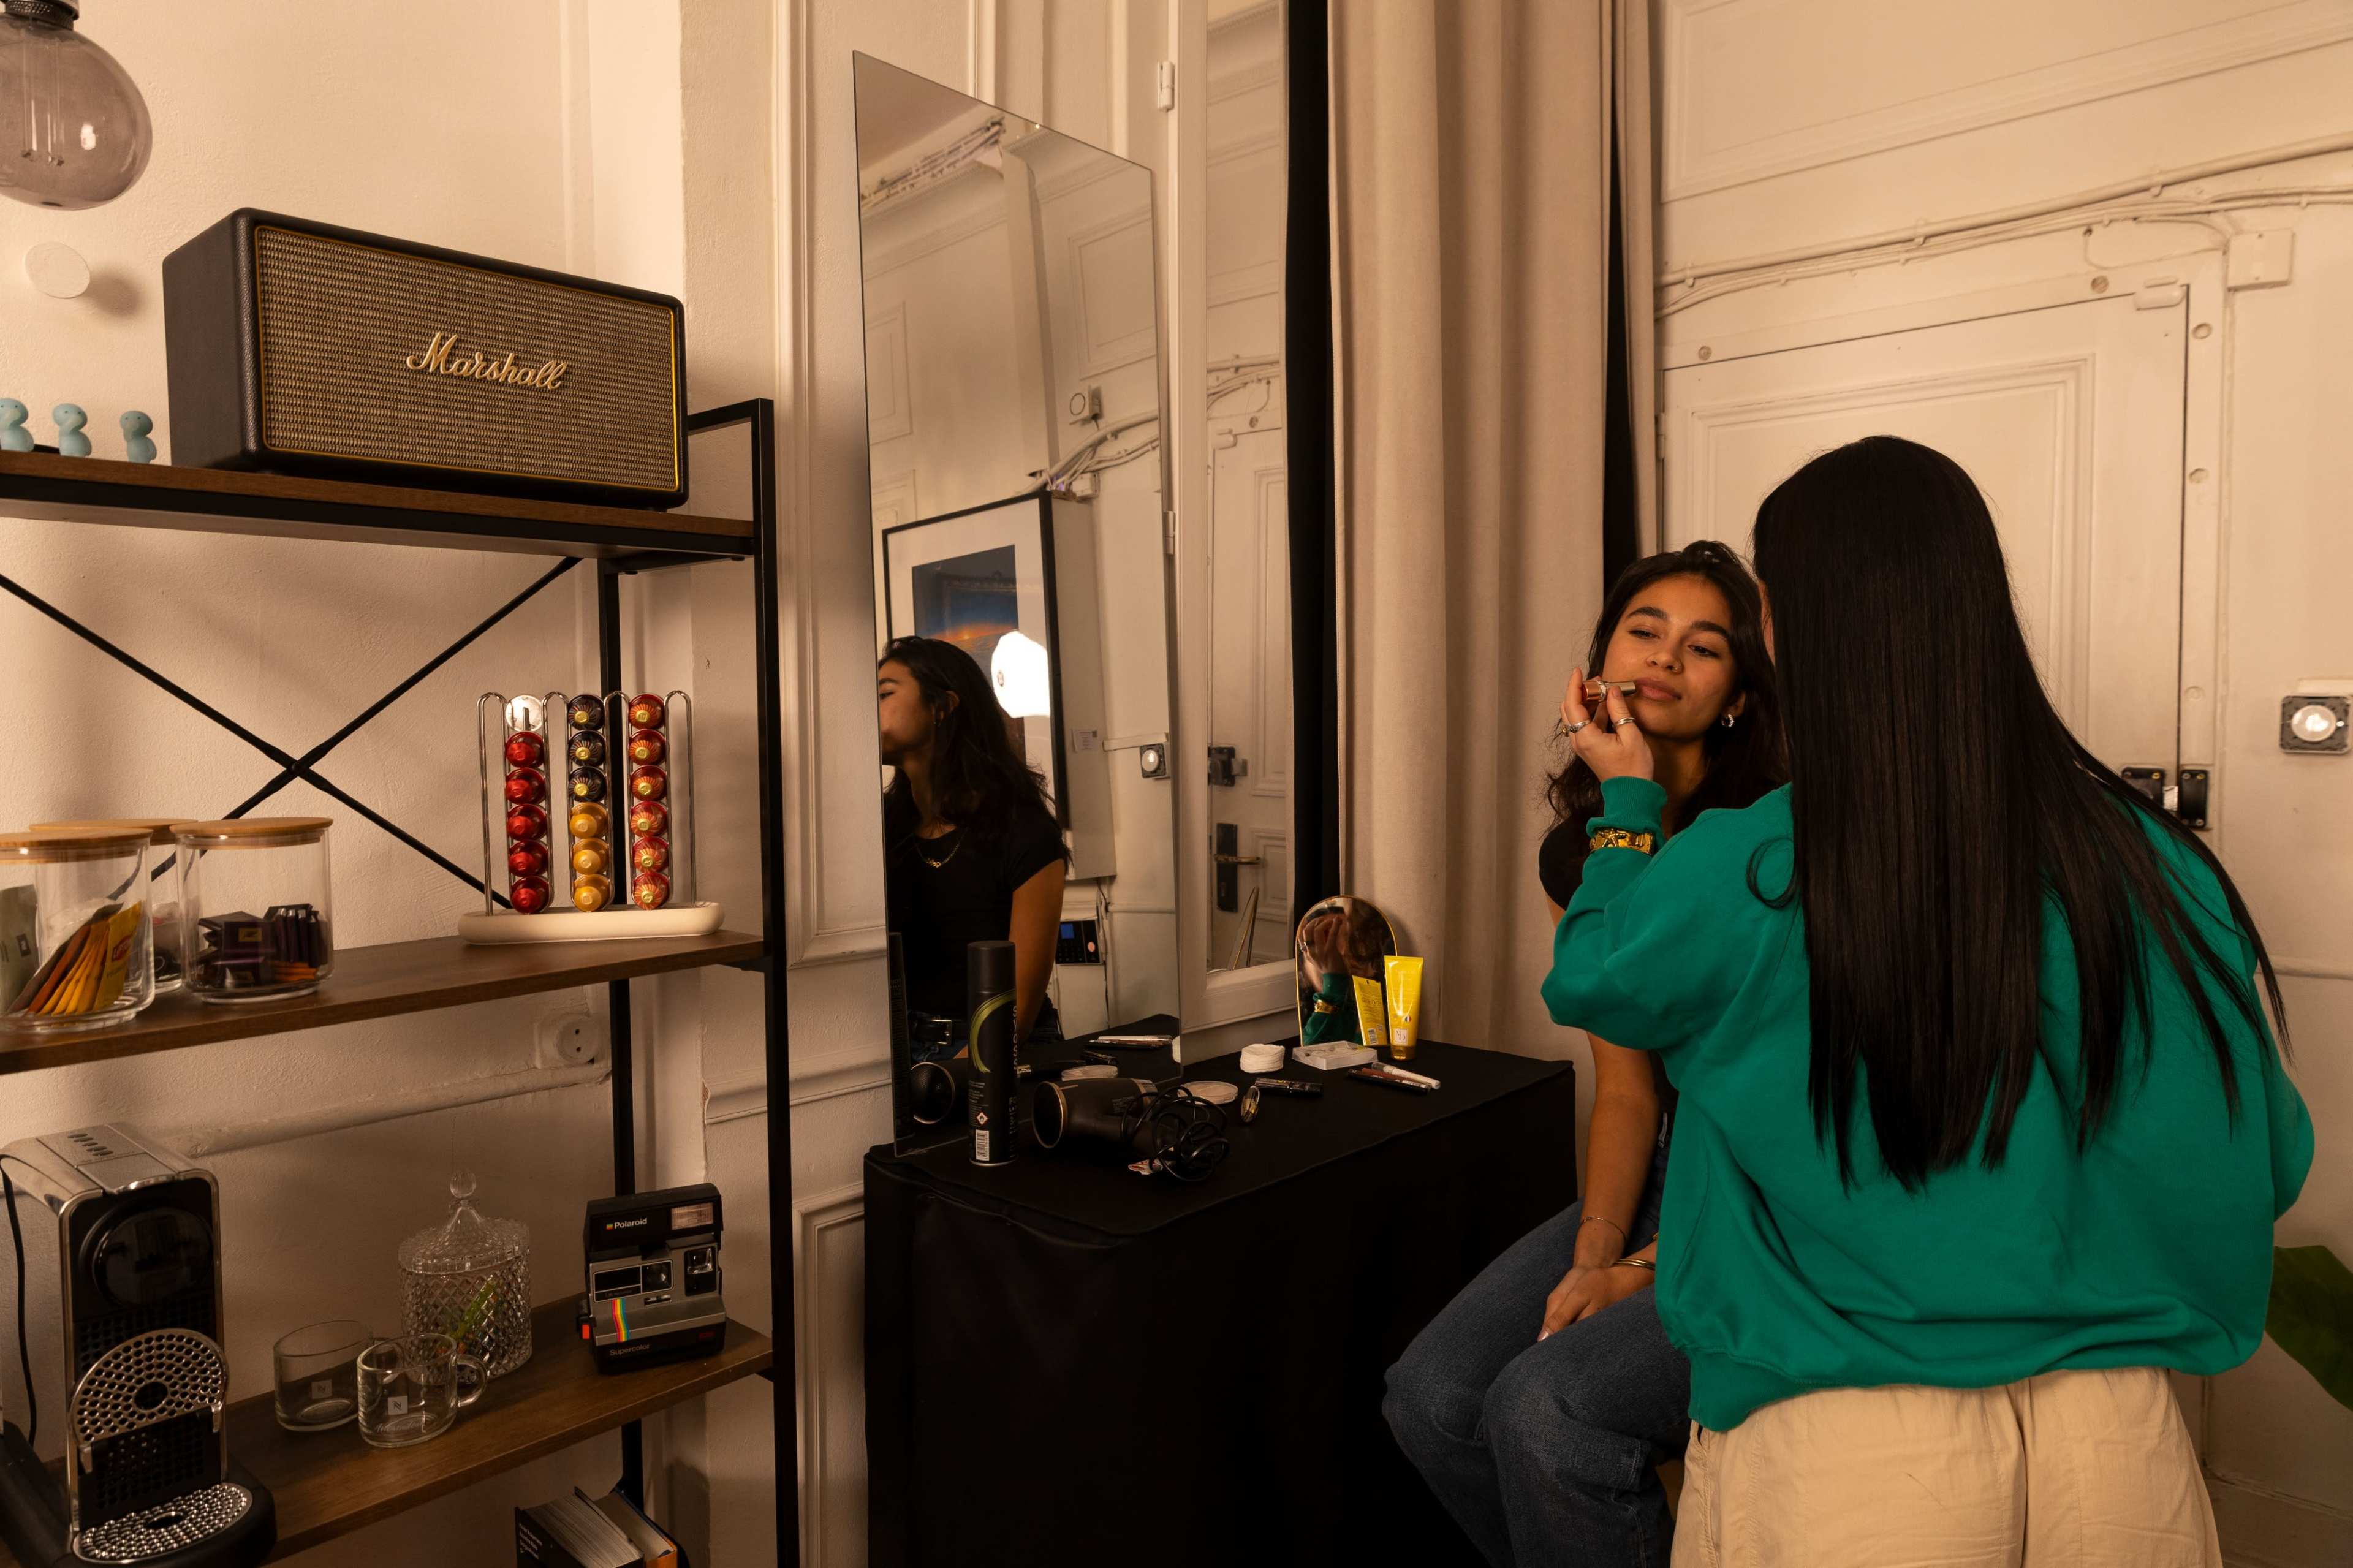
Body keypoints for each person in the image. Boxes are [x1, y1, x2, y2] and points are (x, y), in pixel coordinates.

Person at [1545, 436, 2312, 1567]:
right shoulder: (2150, 861)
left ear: (1794, 625)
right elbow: (2266, 1157)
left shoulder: (1751, 862)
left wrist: (1626, 802)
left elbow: (1598, 971)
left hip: (1845, 1441)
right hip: (2116, 1438)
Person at [1385, 541, 1784, 1568]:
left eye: (1704, 647)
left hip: (1757, 1178)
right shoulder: (1585, 846)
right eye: (1642, 630)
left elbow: (1781, 1096)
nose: (1663, 660)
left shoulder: (1769, 836)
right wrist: (1600, 1238)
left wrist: (1646, 1270)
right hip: (1659, 1169)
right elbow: (1627, 1088)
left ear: (1739, 691)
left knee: (1542, 1409)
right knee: (1431, 1398)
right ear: (1599, 656)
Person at [878, 635, 1070, 1060]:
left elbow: (1016, 1006)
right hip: (902, 1049)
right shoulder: (882, 829)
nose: (867, 708)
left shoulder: (1024, 829)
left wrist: (949, 1080)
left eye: (885, 693)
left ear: (942, 706)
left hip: (1003, 1051)